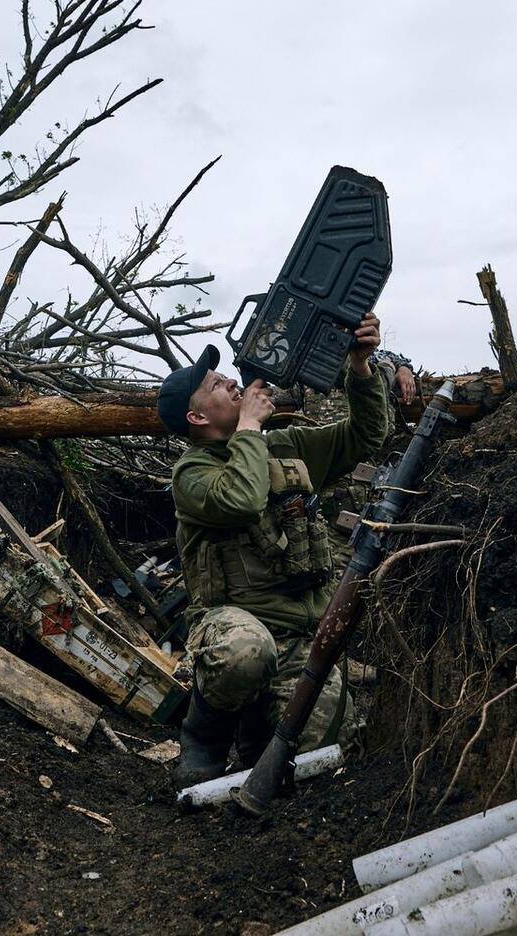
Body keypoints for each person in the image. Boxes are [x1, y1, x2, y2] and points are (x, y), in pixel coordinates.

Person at [158, 312, 392, 788]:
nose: (228, 380)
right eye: (214, 383)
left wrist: (360, 366)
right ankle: (206, 733)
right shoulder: (191, 476)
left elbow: (366, 436)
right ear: (197, 417)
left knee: (327, 748)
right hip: (233, 626)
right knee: (246, 653)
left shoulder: (283, 447)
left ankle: (255, 731)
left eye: (223, 375)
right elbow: (242, 499)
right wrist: (248, 428)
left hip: (299, 638)